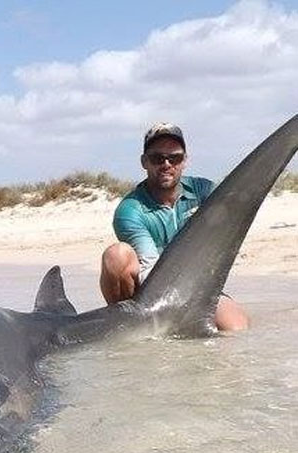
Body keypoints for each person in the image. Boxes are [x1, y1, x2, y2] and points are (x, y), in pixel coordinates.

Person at [100, 123, 249, 331]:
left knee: (237, 329)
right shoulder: (130, 210)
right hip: (147, 294)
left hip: (200, 285)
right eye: (157, 158)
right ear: (144, 162)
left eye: (175, 158)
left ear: (185, 161)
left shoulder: (204, 192)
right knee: (117, 255)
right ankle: (129, 327)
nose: (166, 164)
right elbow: (148, 265)